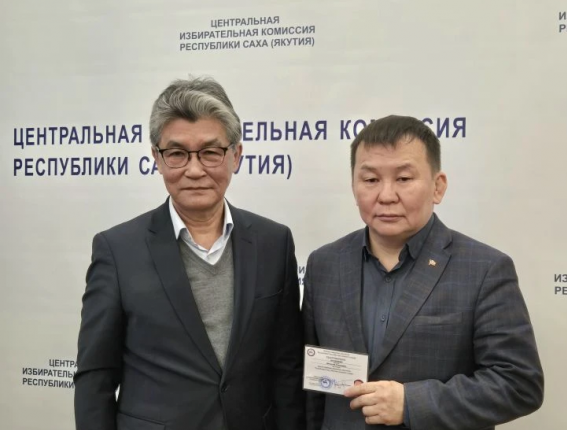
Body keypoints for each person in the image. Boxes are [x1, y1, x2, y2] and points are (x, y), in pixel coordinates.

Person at [74, 77, 305, 430]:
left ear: (236, 155)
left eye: (211, 152)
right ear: (157, 158)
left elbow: (286, 368)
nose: (194, 170)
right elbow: (96, 377)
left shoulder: (274, 243)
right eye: (177, 154)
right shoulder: (118, 250)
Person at [303, 115, 543, 430]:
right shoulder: (324, 264)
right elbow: (311, 388)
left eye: (404, 178)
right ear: (353, 186)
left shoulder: (484, 269)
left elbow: (519, 383)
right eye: (371, 180)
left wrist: (412, 403)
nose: (386, 195)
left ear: (437, 187)